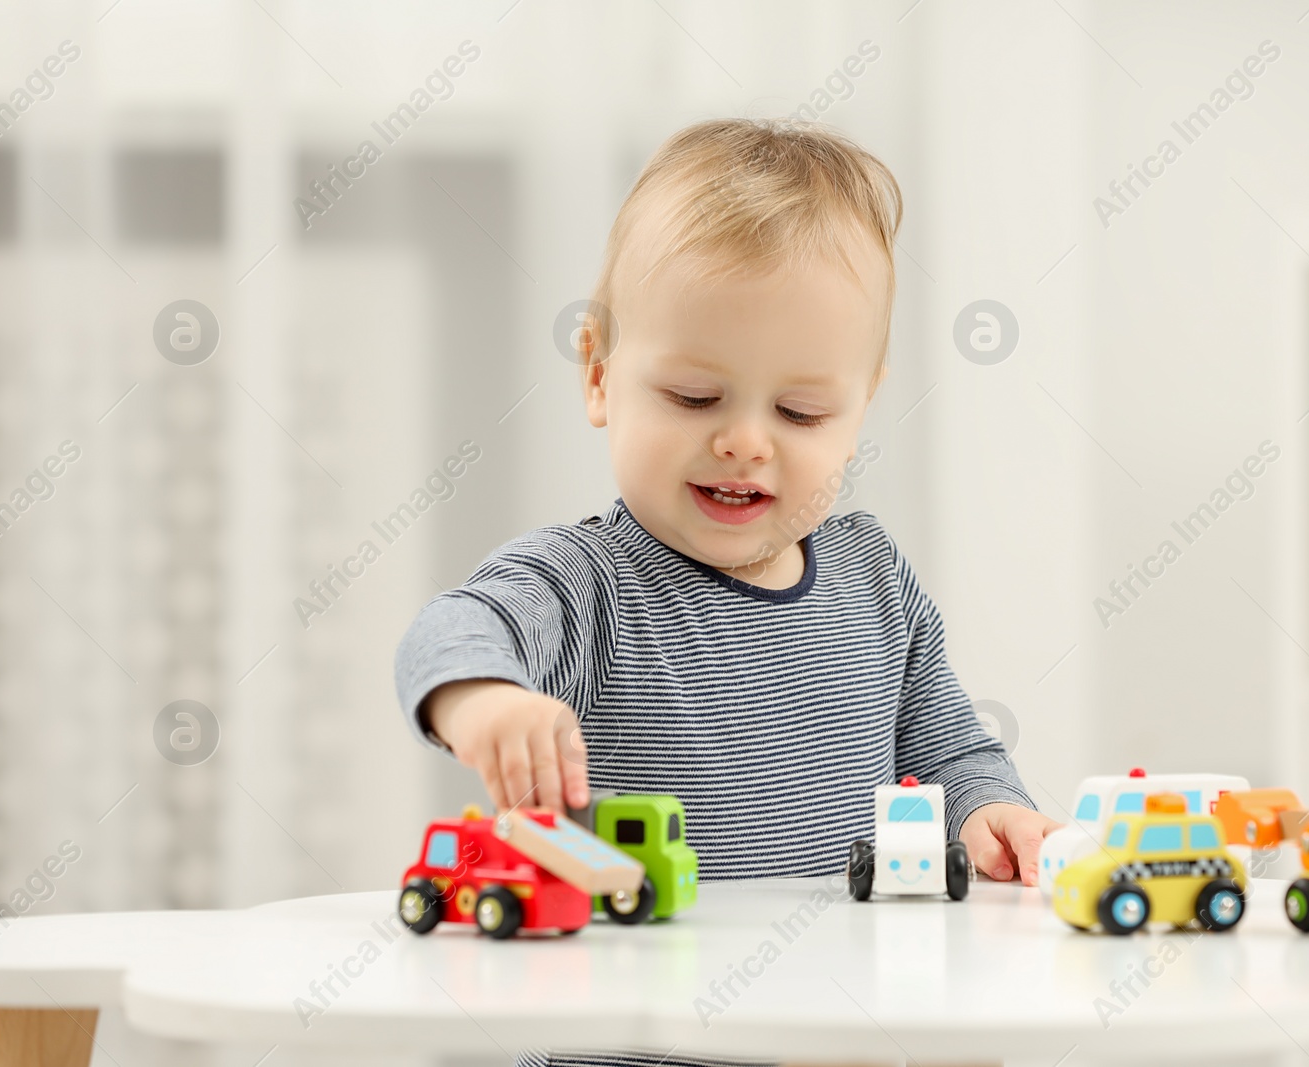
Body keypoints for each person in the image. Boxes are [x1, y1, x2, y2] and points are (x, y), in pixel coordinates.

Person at [394, 116, 1058, 1067]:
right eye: (696, 397)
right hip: (640, 1040)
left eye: (801, 411)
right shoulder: (588, 586)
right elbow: (455, 628)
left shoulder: (875, 579)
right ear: (599, 376)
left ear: (861, 406)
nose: (747, 440)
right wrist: (482, 697)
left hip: (852, 1027)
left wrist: (988, 809)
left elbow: (947, 747)